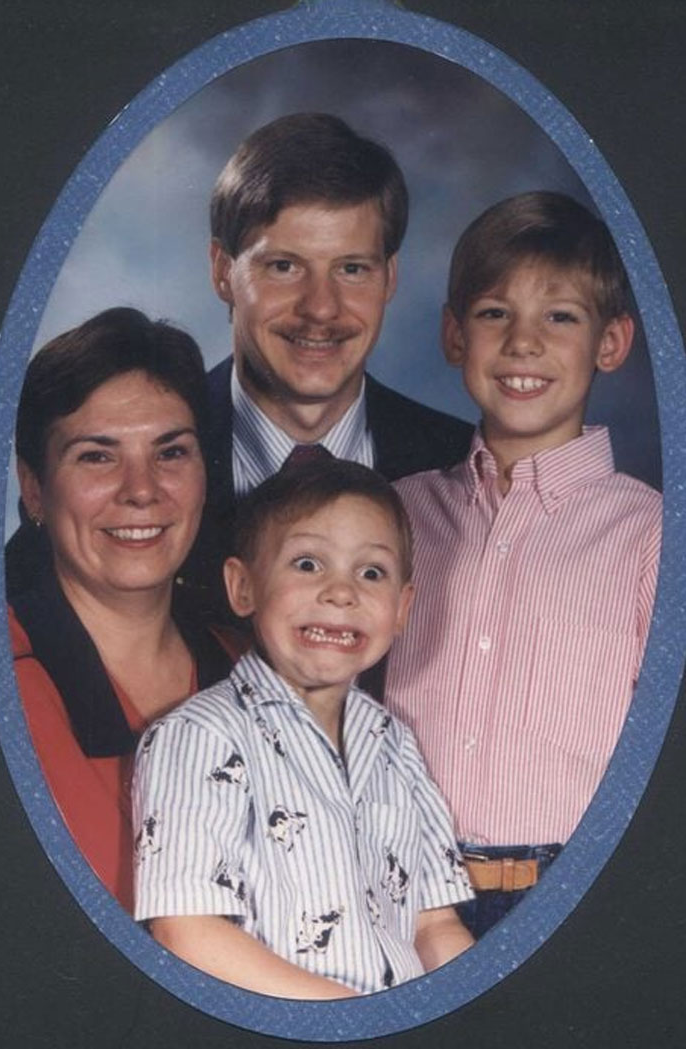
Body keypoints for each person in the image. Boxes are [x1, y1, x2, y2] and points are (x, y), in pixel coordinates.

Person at [384, 192, 662, 939]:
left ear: (612, 342)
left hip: (571, 892)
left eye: (561, 317)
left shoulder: (652, 536)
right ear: (453, 333)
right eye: (494, 313)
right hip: (403, 890)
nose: (523, 343)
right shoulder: (397, 516)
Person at [133, 457, 474, 998]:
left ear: (403, 608)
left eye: (372, 573)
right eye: (308, 564)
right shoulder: (198, 735)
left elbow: (434, 925)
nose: (342, 593)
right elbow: (187, 930)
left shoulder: (396, 744)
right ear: (242, 587)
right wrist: (350, 1016)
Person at [182, 112, 474, 612]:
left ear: (389, 278)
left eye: (352, 268)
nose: (321, 307)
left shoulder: (461, 465)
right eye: (284, 266)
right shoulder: (151, 461)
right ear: (223, 271)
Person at [8, 308, 242, 912]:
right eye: (97, 456)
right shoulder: (4, 675)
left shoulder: (252, 669)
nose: (142, 490)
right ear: (34, 488)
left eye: (171, 452)